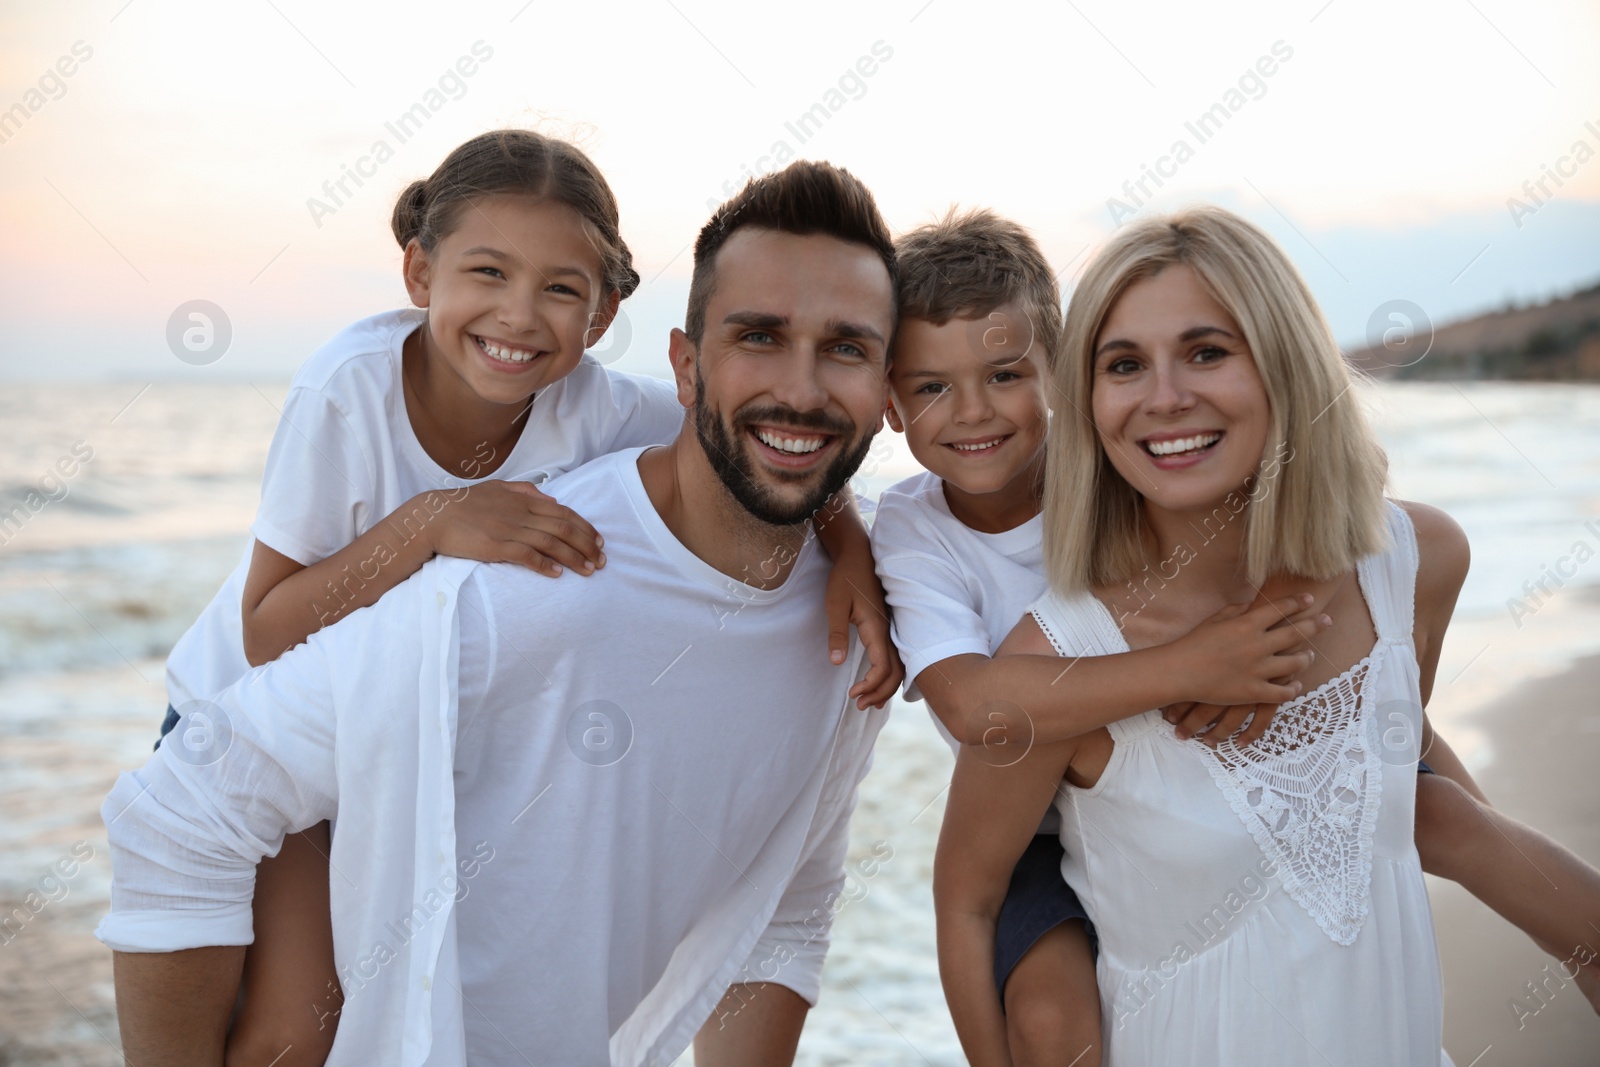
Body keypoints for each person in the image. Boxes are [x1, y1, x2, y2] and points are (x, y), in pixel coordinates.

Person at [99, 160, 898, 1066]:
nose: (519, 317)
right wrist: (432, 523)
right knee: (294, 1030)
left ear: (601, 318)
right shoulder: (355, 395)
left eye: (846, 348)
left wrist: (852, 542)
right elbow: (256, 649)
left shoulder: (611, 415)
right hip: (232, 691)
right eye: (758, 333)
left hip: (370, 720)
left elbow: (770, 446)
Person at [933, 206, 1600, 1065]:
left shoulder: (1414, 564)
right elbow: (970, 902)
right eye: (1124, 364)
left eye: (1208, 351)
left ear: (1284, 363)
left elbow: (1400, 761)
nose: (1166, 396)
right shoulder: (1056, 667)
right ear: (1088, 401)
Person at [872, 208, 1334, 1065]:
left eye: (1005, 373)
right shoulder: (910, 529)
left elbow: (1274, 511)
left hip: (1187, 773)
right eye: (931, 386)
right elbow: (978, 706)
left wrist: (1252, 626)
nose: (972, 411)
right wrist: (1188, 666)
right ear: (890, 405)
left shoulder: (1125, 466)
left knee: (1440, 800)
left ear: (1060, 367)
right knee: (1051, 1022)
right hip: (1038, 829)